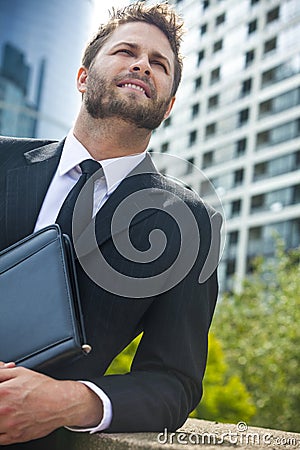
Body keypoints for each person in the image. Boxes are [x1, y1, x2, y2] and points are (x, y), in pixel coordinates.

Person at [0, 2, 222, 448]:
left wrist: (67, 401)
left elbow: (173, 382)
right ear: (83, 77)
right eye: (126, 51)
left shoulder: (190, 222)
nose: (143, 64)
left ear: (169, 104)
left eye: (160, 64)